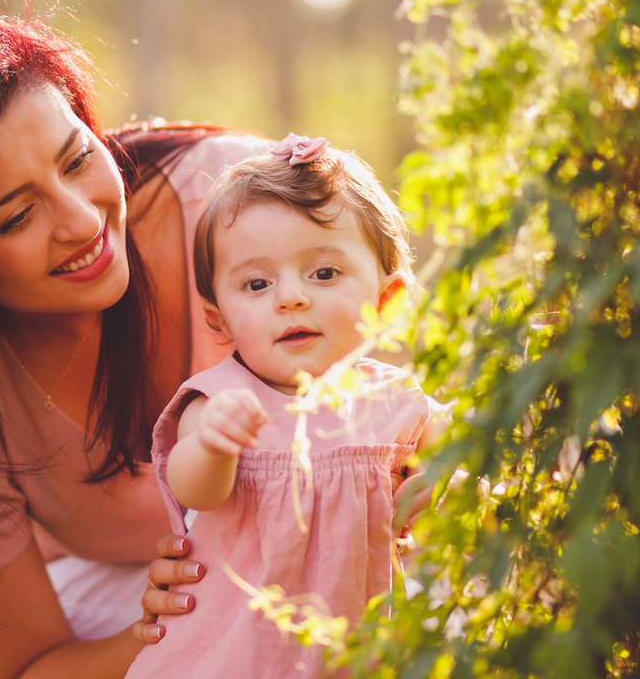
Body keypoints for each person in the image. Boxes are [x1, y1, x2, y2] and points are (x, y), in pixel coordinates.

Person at [0, 12, 272, 678]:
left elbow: (388, 410)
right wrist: (159, 637)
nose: (83, 220)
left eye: (78, 158)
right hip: (131, 593)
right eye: (16, 215)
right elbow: (28, 666)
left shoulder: (237, 205)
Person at [125, 136, 444, 679]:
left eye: (324, 274)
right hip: (227, 651)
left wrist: (441, 483)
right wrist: (211, 446)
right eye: (256, 283)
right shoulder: (222, 399)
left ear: (385, 301)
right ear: (219, 319)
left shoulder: (398, 404)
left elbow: (460, 462)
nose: (290, 297)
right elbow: (193, 488)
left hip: (350, 652)